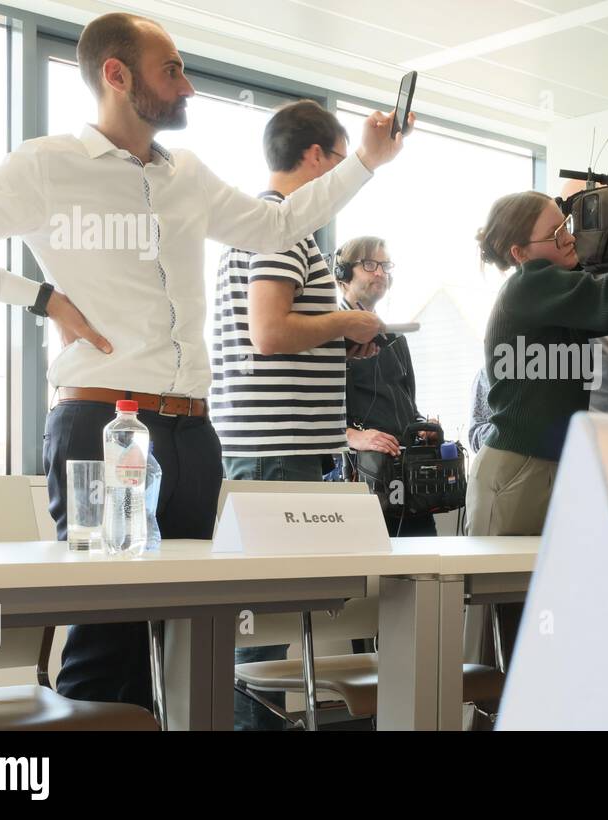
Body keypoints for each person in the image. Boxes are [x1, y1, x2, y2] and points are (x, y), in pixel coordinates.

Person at [0, 12, 407, 711]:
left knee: (196, 631)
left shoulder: (186, 176)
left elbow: (277, 223)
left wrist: (364, 164)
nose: (187, 85)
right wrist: (42, 297)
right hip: (102, 423)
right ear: (116, 74)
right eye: (171, 70)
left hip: (194, 432)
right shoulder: (47, 166)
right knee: (109, 641)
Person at [209, 100, 385, 730]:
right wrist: (349, 320)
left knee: (260, 632)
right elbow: (269, 331)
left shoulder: (262, 225)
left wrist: (339, 334)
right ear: (316, 157)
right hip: (276, 455)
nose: (341, 177)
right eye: (341, 160)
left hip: (268, 447)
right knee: (260, 639)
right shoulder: (282, 224)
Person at [468, 191, 608, 536]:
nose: (569, 238)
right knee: (503, 587)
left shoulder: (560, 292)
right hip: (518, 467)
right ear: (520, 254)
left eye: (565, 225)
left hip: (548, 463)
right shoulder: (529, 285)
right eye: (554, 235)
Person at [336, 236, 440, 536]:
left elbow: (408, 405)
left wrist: (421, 426)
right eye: (369, 264)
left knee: (425, 568)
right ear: (343, 275)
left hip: (409, 486)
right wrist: (352, 436)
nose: (380, 273)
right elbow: (310, 412)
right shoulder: (329, 338)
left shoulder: (395, 340)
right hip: (361, 481)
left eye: (385, 265)